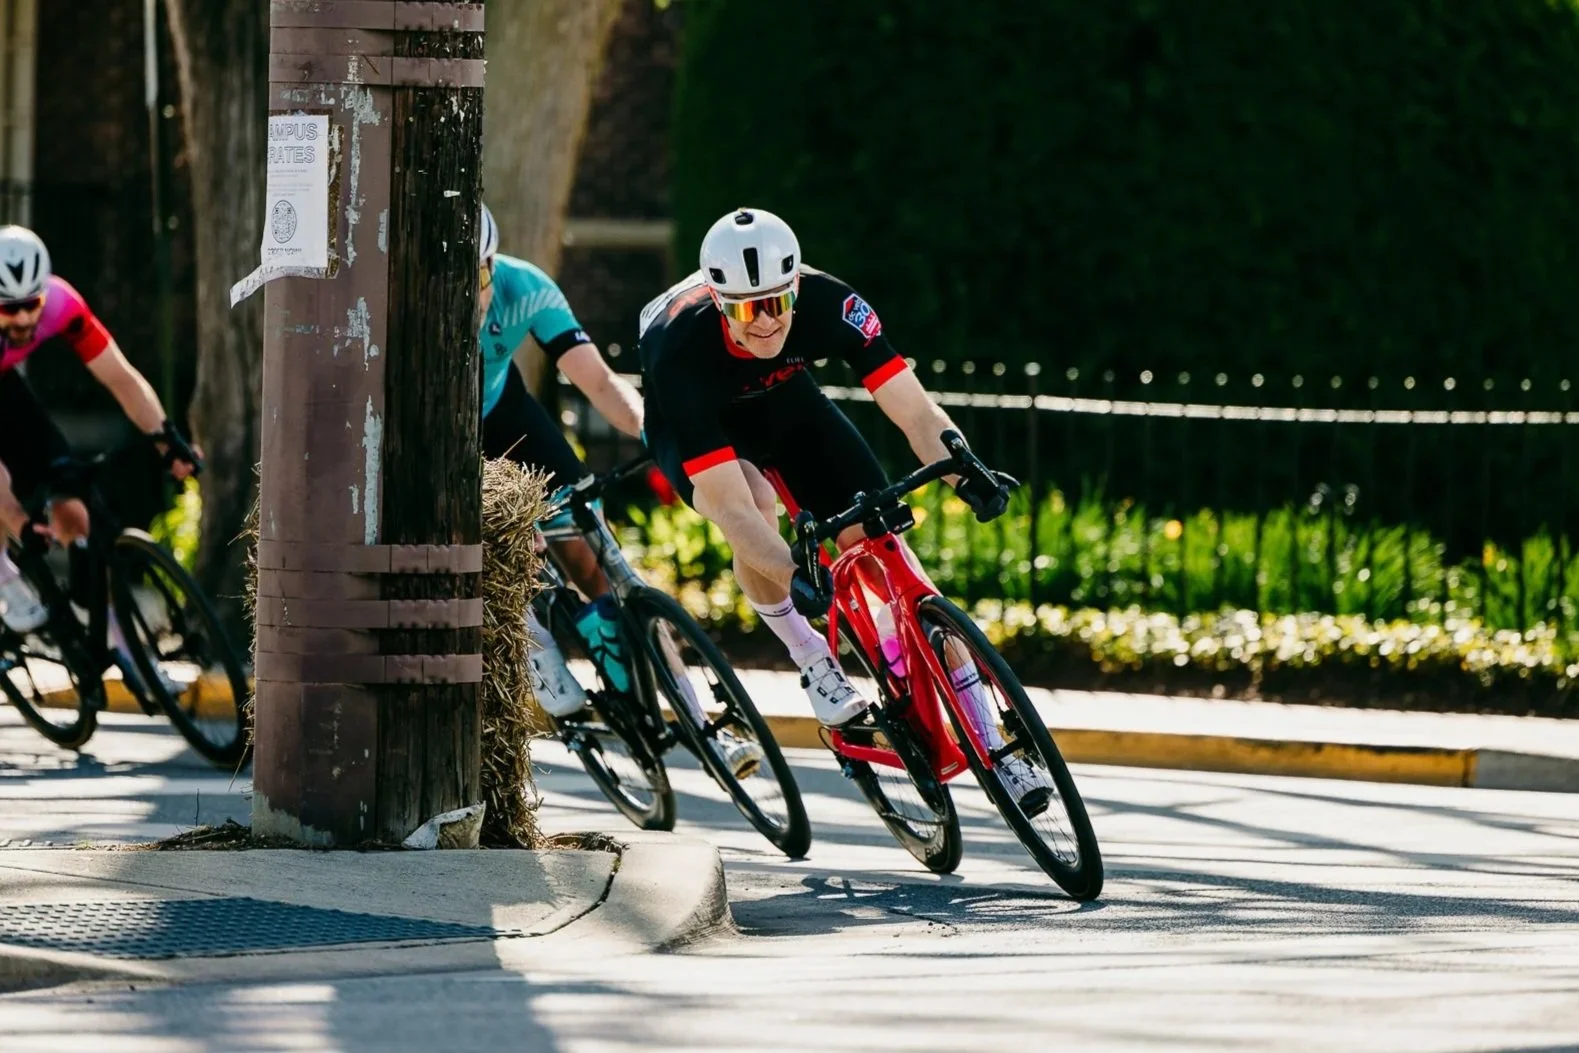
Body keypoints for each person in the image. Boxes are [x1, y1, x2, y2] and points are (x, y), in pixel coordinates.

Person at [636, 207, 1050, 804]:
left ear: (796, 286)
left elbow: (914, 409)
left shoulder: (831, 303)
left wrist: (968, 474)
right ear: (720, 302)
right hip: (703, 422)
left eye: (777, 302)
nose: (764, 323)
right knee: (757, 501)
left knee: (882, 543)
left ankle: (996, 746)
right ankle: (811, 656)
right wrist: (793, 574)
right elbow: (733, 511)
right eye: (748, 309)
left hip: (787, 403)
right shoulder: (681, 350)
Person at [475, 205, 763, 777]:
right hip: (436, 433)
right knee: (495, 542)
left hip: (504, 413)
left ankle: (700, 720)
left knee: (595, 561)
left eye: (480, 274)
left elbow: (601, 383)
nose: (472, 291)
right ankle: (537, 650)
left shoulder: (525, 286)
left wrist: (658, 432)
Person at [0, 225, 200, 688]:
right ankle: (10, 587)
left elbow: (122, 378)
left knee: (74, 506)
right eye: (8, 309)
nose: (23, 318)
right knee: (12, 511)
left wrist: (166, 439)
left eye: (31, 304)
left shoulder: (62, 304)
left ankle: (128, 653)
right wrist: (18, 523)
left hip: (7, 385)